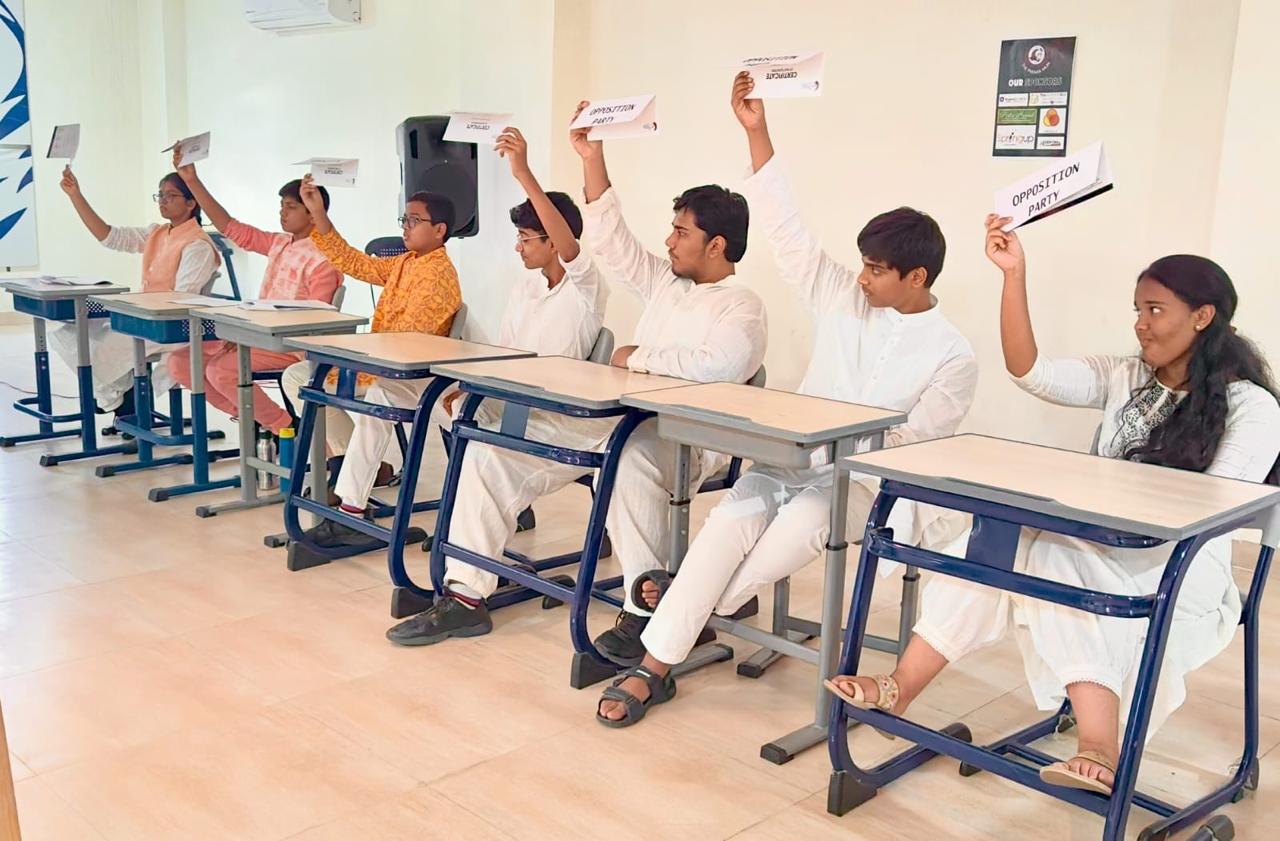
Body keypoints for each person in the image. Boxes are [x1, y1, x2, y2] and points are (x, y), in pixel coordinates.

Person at [825, 217, 1280, 796]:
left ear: (1203, 316)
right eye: (1137, 309)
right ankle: (899, 687)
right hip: (1099, 542)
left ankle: (1099, 748)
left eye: (1155, 310)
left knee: (1052, 554)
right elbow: (1030, 372)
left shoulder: (1253, 408)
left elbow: (1209, 509)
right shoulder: (1125, 376)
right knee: (995, 543)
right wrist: (1014, 275)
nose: (1140, 325)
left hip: (1180, 569)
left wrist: (1095, 499)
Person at [596, 71, 979, 727]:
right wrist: (757, 131)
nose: (862, 277)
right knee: (727, 525)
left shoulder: (954, 354)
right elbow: (787, 230)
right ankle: (656, 667)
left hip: (857, 486)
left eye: (878, 270)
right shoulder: (841, 295)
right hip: (786, 459)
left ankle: (676, 617)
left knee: (783, 538)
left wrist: (839, 441)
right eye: (862, 263)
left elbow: (916, 446)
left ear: (916, 276)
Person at [384, 102, 768, 647]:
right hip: (615, 420)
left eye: (680, 232)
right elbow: (610, 239)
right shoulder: (667, 283)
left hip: (683, 437)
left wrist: (633, 357)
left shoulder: (743, 305)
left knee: (630, 460)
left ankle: (646, 612)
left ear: (716, 245)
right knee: (489, 451)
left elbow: (718, 369)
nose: (668, 241)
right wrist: (593, 156)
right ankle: (466, 594)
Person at [282, 174, 461, 557]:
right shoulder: (407, 263)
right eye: (405, 220)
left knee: (371, 391)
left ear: (439, 230)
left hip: (418, 377)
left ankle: (349, 507)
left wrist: (355, 354)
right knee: (300, 376)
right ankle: (347, 489)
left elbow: (410, 344)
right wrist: (318, 212)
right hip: (385, 366)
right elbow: (353, 262)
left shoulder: (440, 276)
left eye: (414, 221)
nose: (406, 228)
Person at [166, 149, 342, 436]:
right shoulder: (279, 242)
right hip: (256, 336)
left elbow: (314, 320)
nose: (282, 212)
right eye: (281, 206)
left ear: (313, 213)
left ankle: (284, 427)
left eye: (290, 207)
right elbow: (230, 227)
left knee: (220, 370)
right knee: (181, 362)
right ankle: (258, 419)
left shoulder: (325, 258)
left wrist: (251, 338)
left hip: (289, 346)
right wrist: (193, 181)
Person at [51, 166, 220, 422]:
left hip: (171, 326)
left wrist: (134, 305)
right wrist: (76, 195)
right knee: (70, 335)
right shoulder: (158, 233)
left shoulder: (198, 245)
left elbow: (182, 299)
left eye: (170, 196)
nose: (163, 201)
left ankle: (119, 400)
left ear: (190, 203)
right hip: (145, 318)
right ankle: (118, 397)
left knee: (98, 348)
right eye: (160, 195)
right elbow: (110, 237)